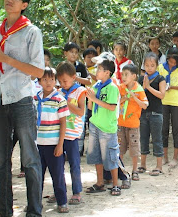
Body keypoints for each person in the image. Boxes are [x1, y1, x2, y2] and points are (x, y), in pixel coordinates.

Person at [0, 0, 45, 217]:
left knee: (29, 158)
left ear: (24, 4)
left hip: (21, 98)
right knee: (0, 158)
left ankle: (34, 211)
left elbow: (38, 71)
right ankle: (4, 208)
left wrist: (5, 58)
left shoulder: (31, 32)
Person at [35, 67, 70, 213]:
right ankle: (35, 203)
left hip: (53, 144)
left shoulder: (59, 99)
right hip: (38, 144)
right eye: (44, 79)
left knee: (57, 175)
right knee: (37, 176)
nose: (48, 82)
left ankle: (62, 202)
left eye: (51, 79)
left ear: (55, 81)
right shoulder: (35, 99)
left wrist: (60, 145)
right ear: (39, 81)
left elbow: (63, 123)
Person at [85, 59, 122, 196]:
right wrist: (90, 97)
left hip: (107, 127)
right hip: (95, 124)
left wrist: (94, 99)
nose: (97, 72)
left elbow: (112, 107)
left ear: (107, 72)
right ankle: (99, 182)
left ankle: (115, 184)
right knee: (96, 155)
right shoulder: (96, 86)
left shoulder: (112, 88)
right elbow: (90, 107)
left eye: (99, 69)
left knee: (111, 156)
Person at [55, 62, 86, 205]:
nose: (62, 84)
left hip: (72, 134)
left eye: (65, 81)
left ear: (74, 77)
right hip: (58, 134)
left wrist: (66, 102)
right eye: (60, 82)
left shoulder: (80, 91)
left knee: (74, 164)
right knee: (58, 165)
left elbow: (81, 111)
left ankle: (76, 192)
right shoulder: (58, 92)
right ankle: (59, 192)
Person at [159, 48, 178, 167]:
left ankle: (175, 157)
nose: (172, 64)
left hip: (176, 102)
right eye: (170, 61)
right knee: (164, 129)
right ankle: (165, 157)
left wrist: (172, 87)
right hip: (163, 101)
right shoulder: (160, 68)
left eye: (175, 62)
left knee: (177, 129)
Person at [118, 64, 148, 180]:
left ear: (134, 76)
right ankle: (120, 170)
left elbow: (145, 105)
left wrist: (134, 97)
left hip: (133, 124)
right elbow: (116, 102)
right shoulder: (120, 88)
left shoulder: (139, 89)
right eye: (122, 74)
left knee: (134, 149)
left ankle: (135, 170)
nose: (123, 77)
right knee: (120, 148)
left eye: (126, 75)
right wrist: (125, 97)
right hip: (120, 123)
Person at [138, 52, 166, 175]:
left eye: (152, 65)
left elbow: (162, 95)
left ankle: (159, 166)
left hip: (156, 113)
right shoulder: (140, 79)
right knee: (143, 139)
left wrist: (148, 87)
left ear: (157, 66)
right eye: (147, 65)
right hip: (143, 113)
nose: (149, 68)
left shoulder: (160, 78)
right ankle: (142, 165)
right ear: (144, 66)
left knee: (157, 139)